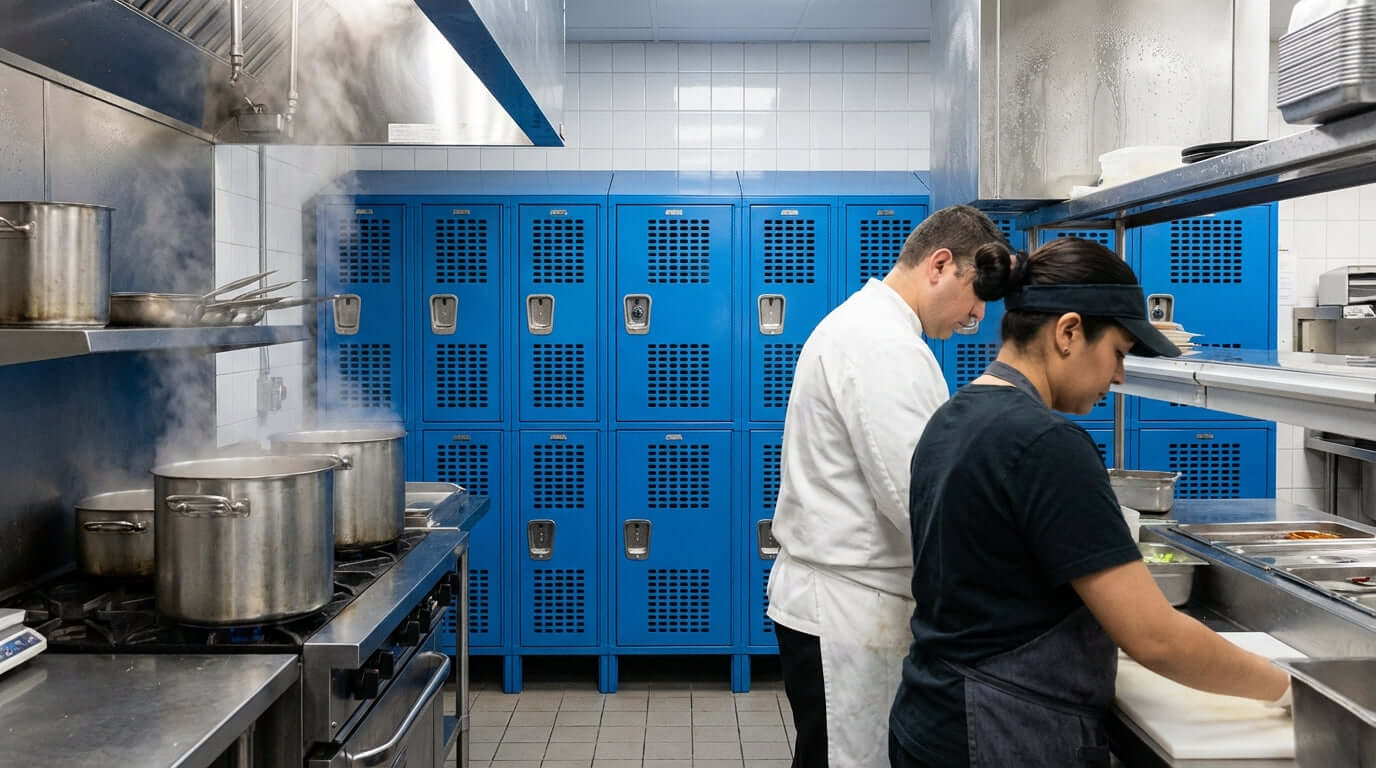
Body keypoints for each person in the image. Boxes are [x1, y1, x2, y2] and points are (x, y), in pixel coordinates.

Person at [887, 237, 1291, 768]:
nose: (1119, 376)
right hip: (1000, 731)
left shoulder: (955, 416)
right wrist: (1291, 691)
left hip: (933, 715)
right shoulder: (1045, 442)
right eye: (1118, 353)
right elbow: (1154, 637)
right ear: (1069, 332)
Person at [767, 205, 1012, 768]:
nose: (975, 313)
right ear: (940, 264)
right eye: (976, 298)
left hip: (852, 605)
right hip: (850, 613)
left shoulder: (877, 330)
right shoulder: (881, 344)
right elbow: (918, 496)